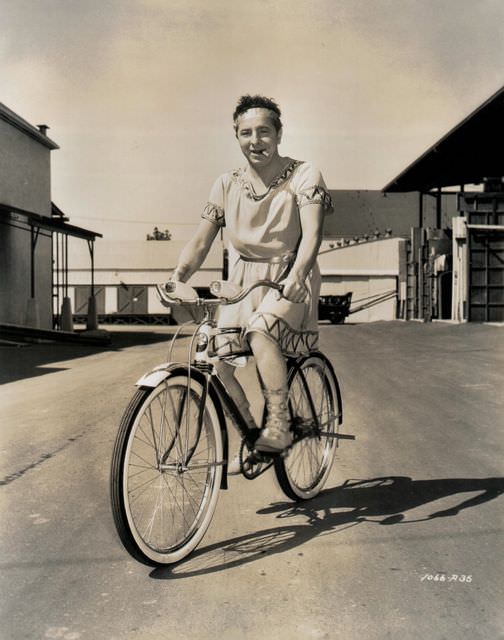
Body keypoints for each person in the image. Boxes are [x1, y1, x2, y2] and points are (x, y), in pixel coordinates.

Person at [170, 94, 333, 462]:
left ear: (278, 134)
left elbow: (312, 235)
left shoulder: (305, 174)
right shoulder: (226, 184)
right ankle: (254, 437)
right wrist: (178, 277)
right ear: (236, 136)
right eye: (246, 133)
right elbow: (200, 240)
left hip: (291, 275)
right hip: (243, 284)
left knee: (261, 329)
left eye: (264, 131)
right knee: (215, 362)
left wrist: (298, 275)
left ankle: (280, 424)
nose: (255, 140)